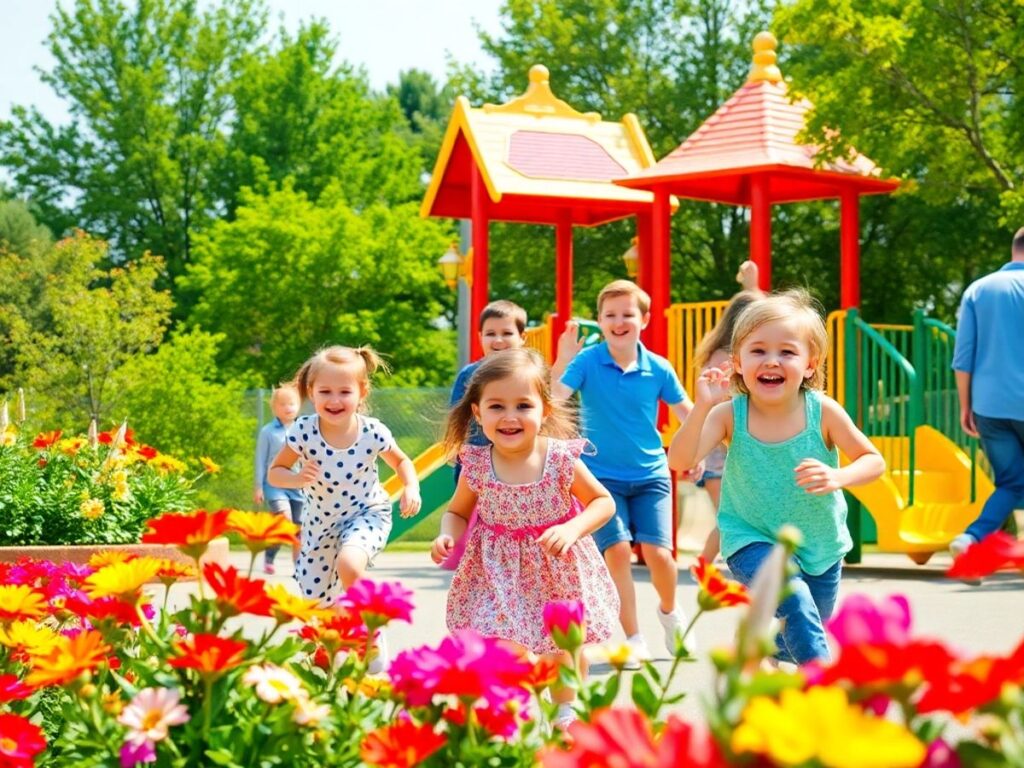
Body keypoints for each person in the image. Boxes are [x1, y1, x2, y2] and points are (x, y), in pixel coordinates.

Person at [668, 290, 884, 664]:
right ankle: (822, 686)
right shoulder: (728, 415)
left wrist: (839, 475)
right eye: (758, 351)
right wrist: (703, 405)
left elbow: (872, 459)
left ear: (810, 364)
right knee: (795, 603)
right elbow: (680, 459)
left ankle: (774, 651)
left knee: (804, 622)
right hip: (750, 537)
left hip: (820, 543)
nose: (772, 361)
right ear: (737, 362)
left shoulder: (823, 412)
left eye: (787, 352)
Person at [431, 348, 619, 729]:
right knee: (501, 646)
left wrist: (571, 528)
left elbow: (602, 502)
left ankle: (565, 714)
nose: (510, 416)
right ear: (478, 413)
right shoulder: (478, 464)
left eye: (523, 405)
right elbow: (457, 512)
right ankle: (501, 712)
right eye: (497, 406)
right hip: (498, 575)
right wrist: (447, 535)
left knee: (560, 650)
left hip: (557, 572)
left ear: (544, 410)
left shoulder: (562, 458)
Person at [551, 280, 698, 668]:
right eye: (610, 315)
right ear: (599, 321)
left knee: (659, 555)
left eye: (627, 315)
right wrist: (562, 360)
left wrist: (700, 447)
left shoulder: (659, 368)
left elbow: (689, 414)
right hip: (601, 479)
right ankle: (633, 639)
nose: (619, 322)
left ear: (644, 320)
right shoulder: (586, 362)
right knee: (616, 551)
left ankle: (669, 613)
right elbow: (551, 404)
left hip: (651, 475)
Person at [269, 345, 422, 604]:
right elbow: (275, 473)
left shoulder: (372, 432)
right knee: (317, 604)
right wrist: (296, 479)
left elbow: (402, 461)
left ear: (362, 392)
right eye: (325, 392)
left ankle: (371, 622)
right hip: (320, 525)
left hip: (366, 514)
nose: (334, 400)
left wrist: (411, 488)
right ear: (311, 393)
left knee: (349, 565)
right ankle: (337, 638)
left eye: (344, 392)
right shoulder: (303, 431)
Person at [950, 227, 1024, 557]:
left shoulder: (979, 289)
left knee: (1011, 482)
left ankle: (970, 538)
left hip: (990, 407)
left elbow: (963, 358)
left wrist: (966, 406)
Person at [442, 300, 528, 570]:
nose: (498, 340)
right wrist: (457, 451)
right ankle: (478, 561)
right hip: (478, 461)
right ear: (480, 338)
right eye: (490, 333)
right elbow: (458, 415)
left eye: (507, 333)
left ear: (522, 338)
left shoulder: (527, 374)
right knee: (477, 518)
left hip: (516, 462)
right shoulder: (470, 374)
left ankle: (514, 561)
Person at [691, 290, 762, 562]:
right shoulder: (724, 356)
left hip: (731, 446)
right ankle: (702, 566)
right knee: (729, 517)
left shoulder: (738, 351)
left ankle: (706, 564)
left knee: (735, 515)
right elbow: (721, 399)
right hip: (720, 448)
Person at [253, 383, 304, 574]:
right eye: (282, 404)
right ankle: (270, 555)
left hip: (298, 485)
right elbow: (260, 459)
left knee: (299, 527)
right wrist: (258, 487)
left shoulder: (303, 428)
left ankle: (297, 565)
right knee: (285, 519)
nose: (288, 407)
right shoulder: (268, 431)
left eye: (292, 403)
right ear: (274, 408)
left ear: (298, 405)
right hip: (274, 484)